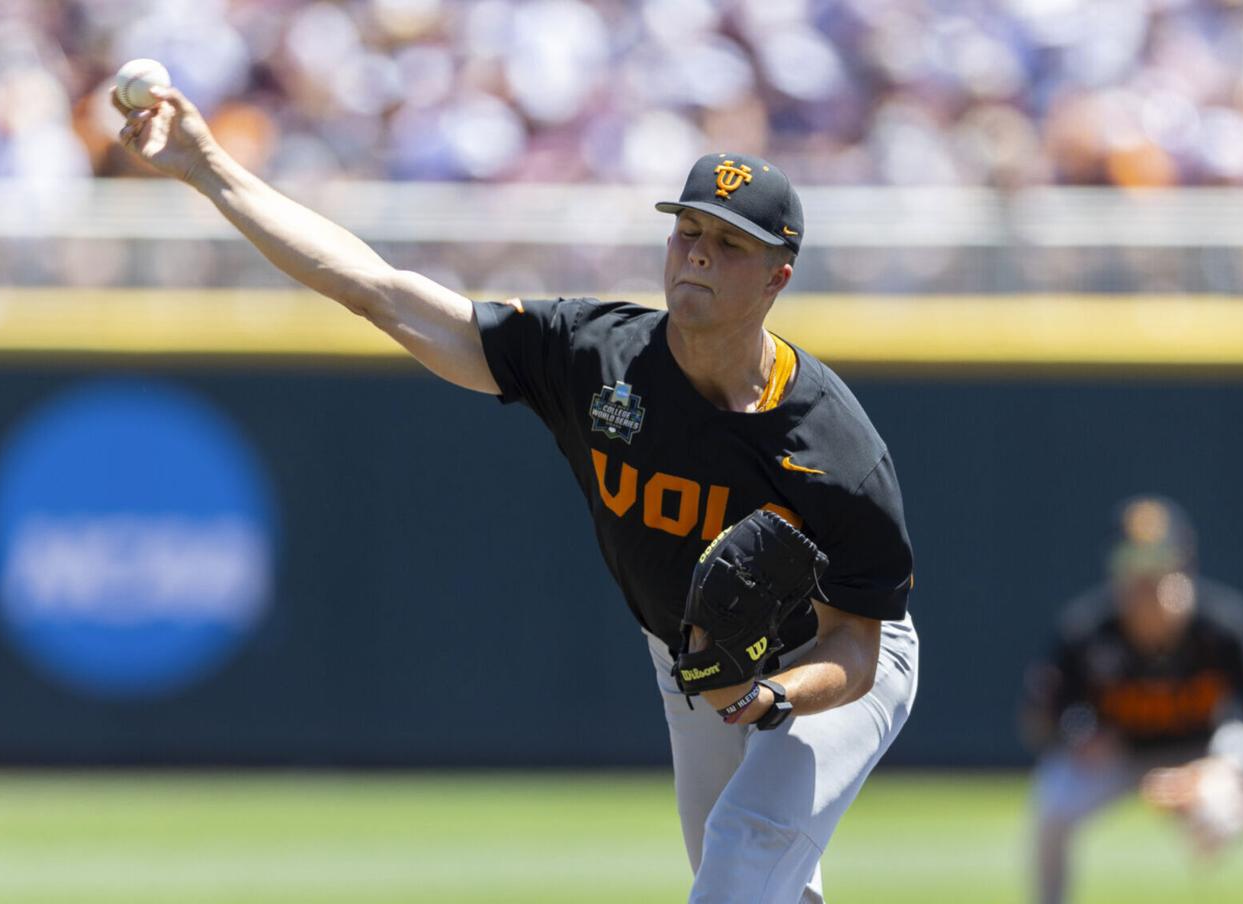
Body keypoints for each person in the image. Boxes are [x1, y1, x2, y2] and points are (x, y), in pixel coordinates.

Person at [113, 84, 919, 903]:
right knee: (754, 882)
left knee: (741, 858)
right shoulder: (595, 356)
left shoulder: (831, 445)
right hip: (693, 657)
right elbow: (378, 290)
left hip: (825, 663)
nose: (699, 253)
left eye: (730, 243)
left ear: (778, 277)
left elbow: (858, 641)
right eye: (688, 230)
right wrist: (209, 169)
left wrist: (774, 696)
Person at [1022, 495, 1243, 904]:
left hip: (1206, 753)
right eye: (1133, 568)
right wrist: (1079, 736)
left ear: (1184, 568)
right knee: (1052, 804)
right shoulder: (1087, 631)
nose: (1146, 583)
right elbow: (1039, 712)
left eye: (1157, 567)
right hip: (1121, 756)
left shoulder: (1224, 625)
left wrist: (1236, 767)